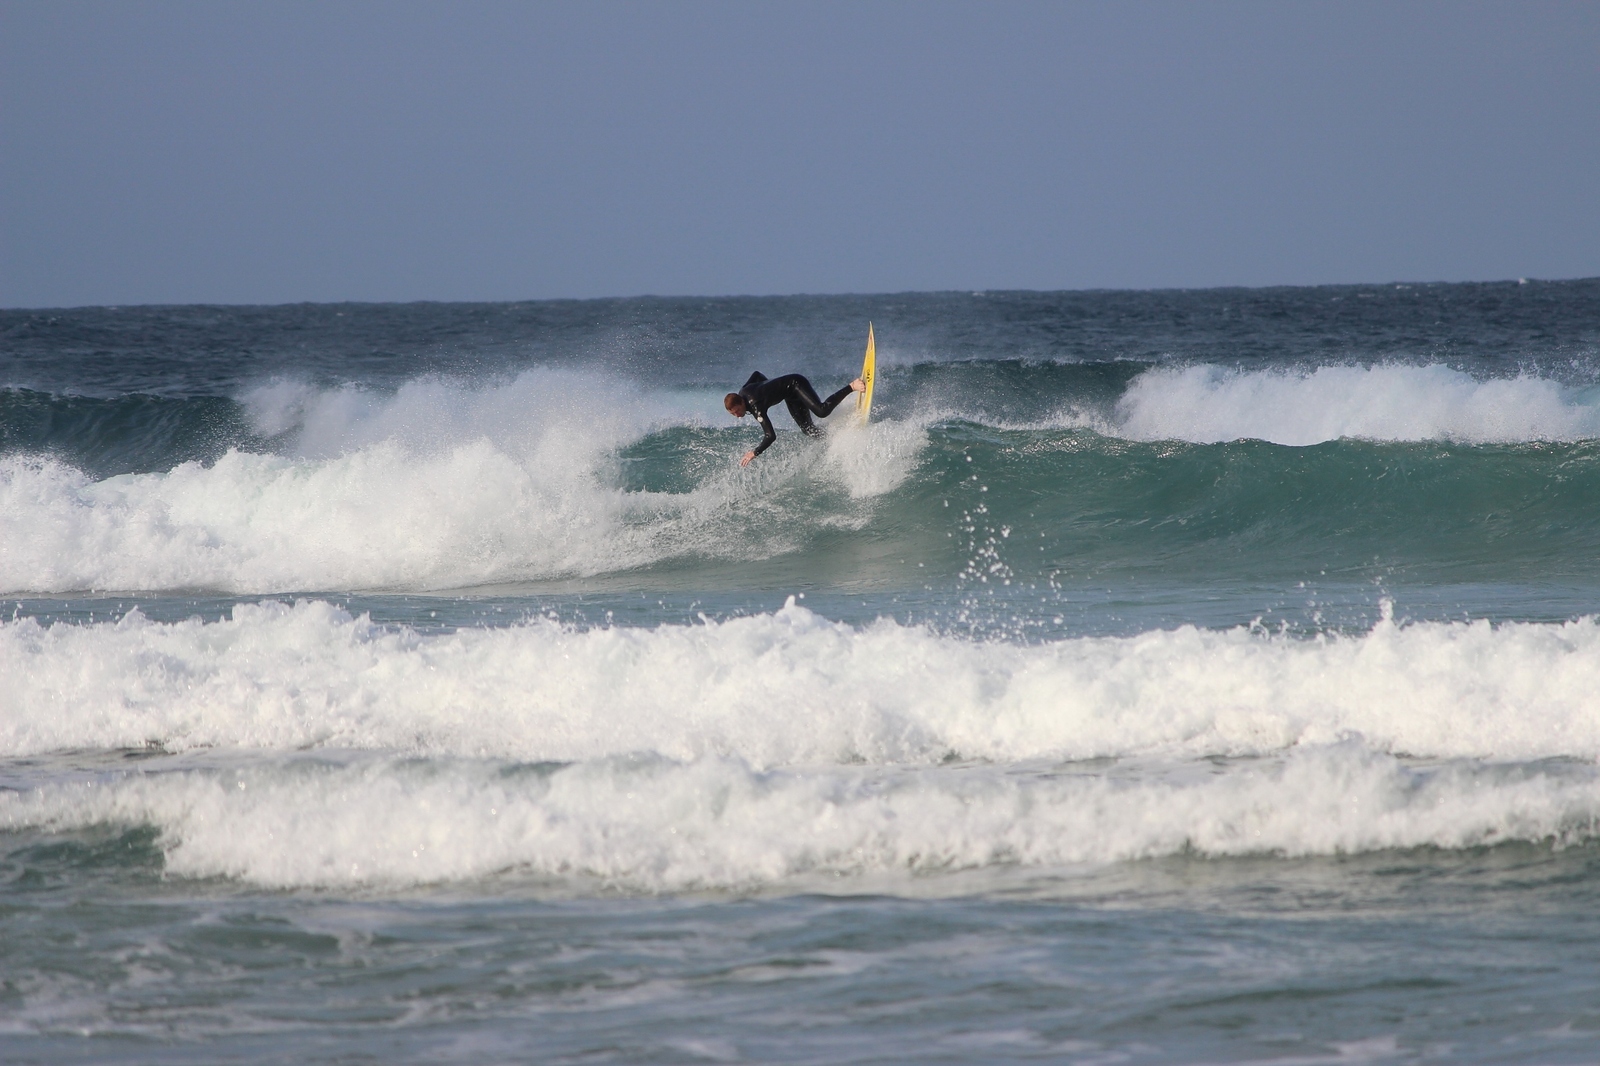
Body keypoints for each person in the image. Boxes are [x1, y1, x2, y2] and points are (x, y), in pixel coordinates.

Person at [725, 371, 865, 466]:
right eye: (733, 414)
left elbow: (770, 436)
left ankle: (852, 386)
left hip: (796, 383)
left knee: (822, 411)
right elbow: (756, 375)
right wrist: (769, 389)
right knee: (808, 430)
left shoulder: (755, 406)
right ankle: (833, 437)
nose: (737, 415)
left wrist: (754, 452)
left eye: (737, 411)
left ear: (742, 402)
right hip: (790, 396)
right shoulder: (742, 392)